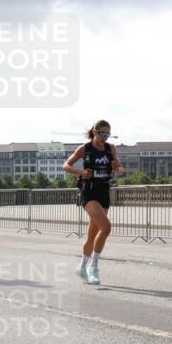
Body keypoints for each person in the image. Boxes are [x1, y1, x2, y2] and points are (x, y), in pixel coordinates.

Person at [62, 120, 122, 285]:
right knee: (106, 227)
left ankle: (81, 267)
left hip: (104, 191)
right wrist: (80, 172)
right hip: (89, 192)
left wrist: (118, 168)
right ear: (95, 133)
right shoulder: (85, 149)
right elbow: (66, 166)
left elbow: (118, 169)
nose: (105, 137)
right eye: (102, 134)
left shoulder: (111, 149)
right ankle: (93, 267)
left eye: (107, 134)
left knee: (93, 234)